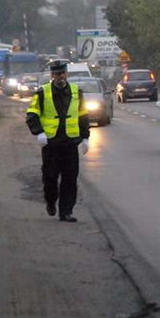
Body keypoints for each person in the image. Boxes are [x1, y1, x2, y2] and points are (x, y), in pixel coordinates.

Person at [26, 59, 90, 222]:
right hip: (51, 144)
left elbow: (83, 116)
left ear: (66, 73)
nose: (60, 77)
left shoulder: (76, 92)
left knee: (70, 179)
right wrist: (39, 132)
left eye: (62, 73)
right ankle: (50, 201)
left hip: (70, 143)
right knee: (50, 177)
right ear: (52, 75)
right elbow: (32, 114)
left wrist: (85, 137)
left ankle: (66, 212)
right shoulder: (42, 92)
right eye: (57, 74)